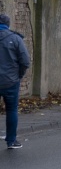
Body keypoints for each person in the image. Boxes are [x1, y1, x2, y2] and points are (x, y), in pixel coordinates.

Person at [0, 14, 30, 149]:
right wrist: (19, 75)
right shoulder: (16, 39)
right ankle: (11, 141)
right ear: (8, 24)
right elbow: (25, 61)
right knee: (11, 110)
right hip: (11, 82)